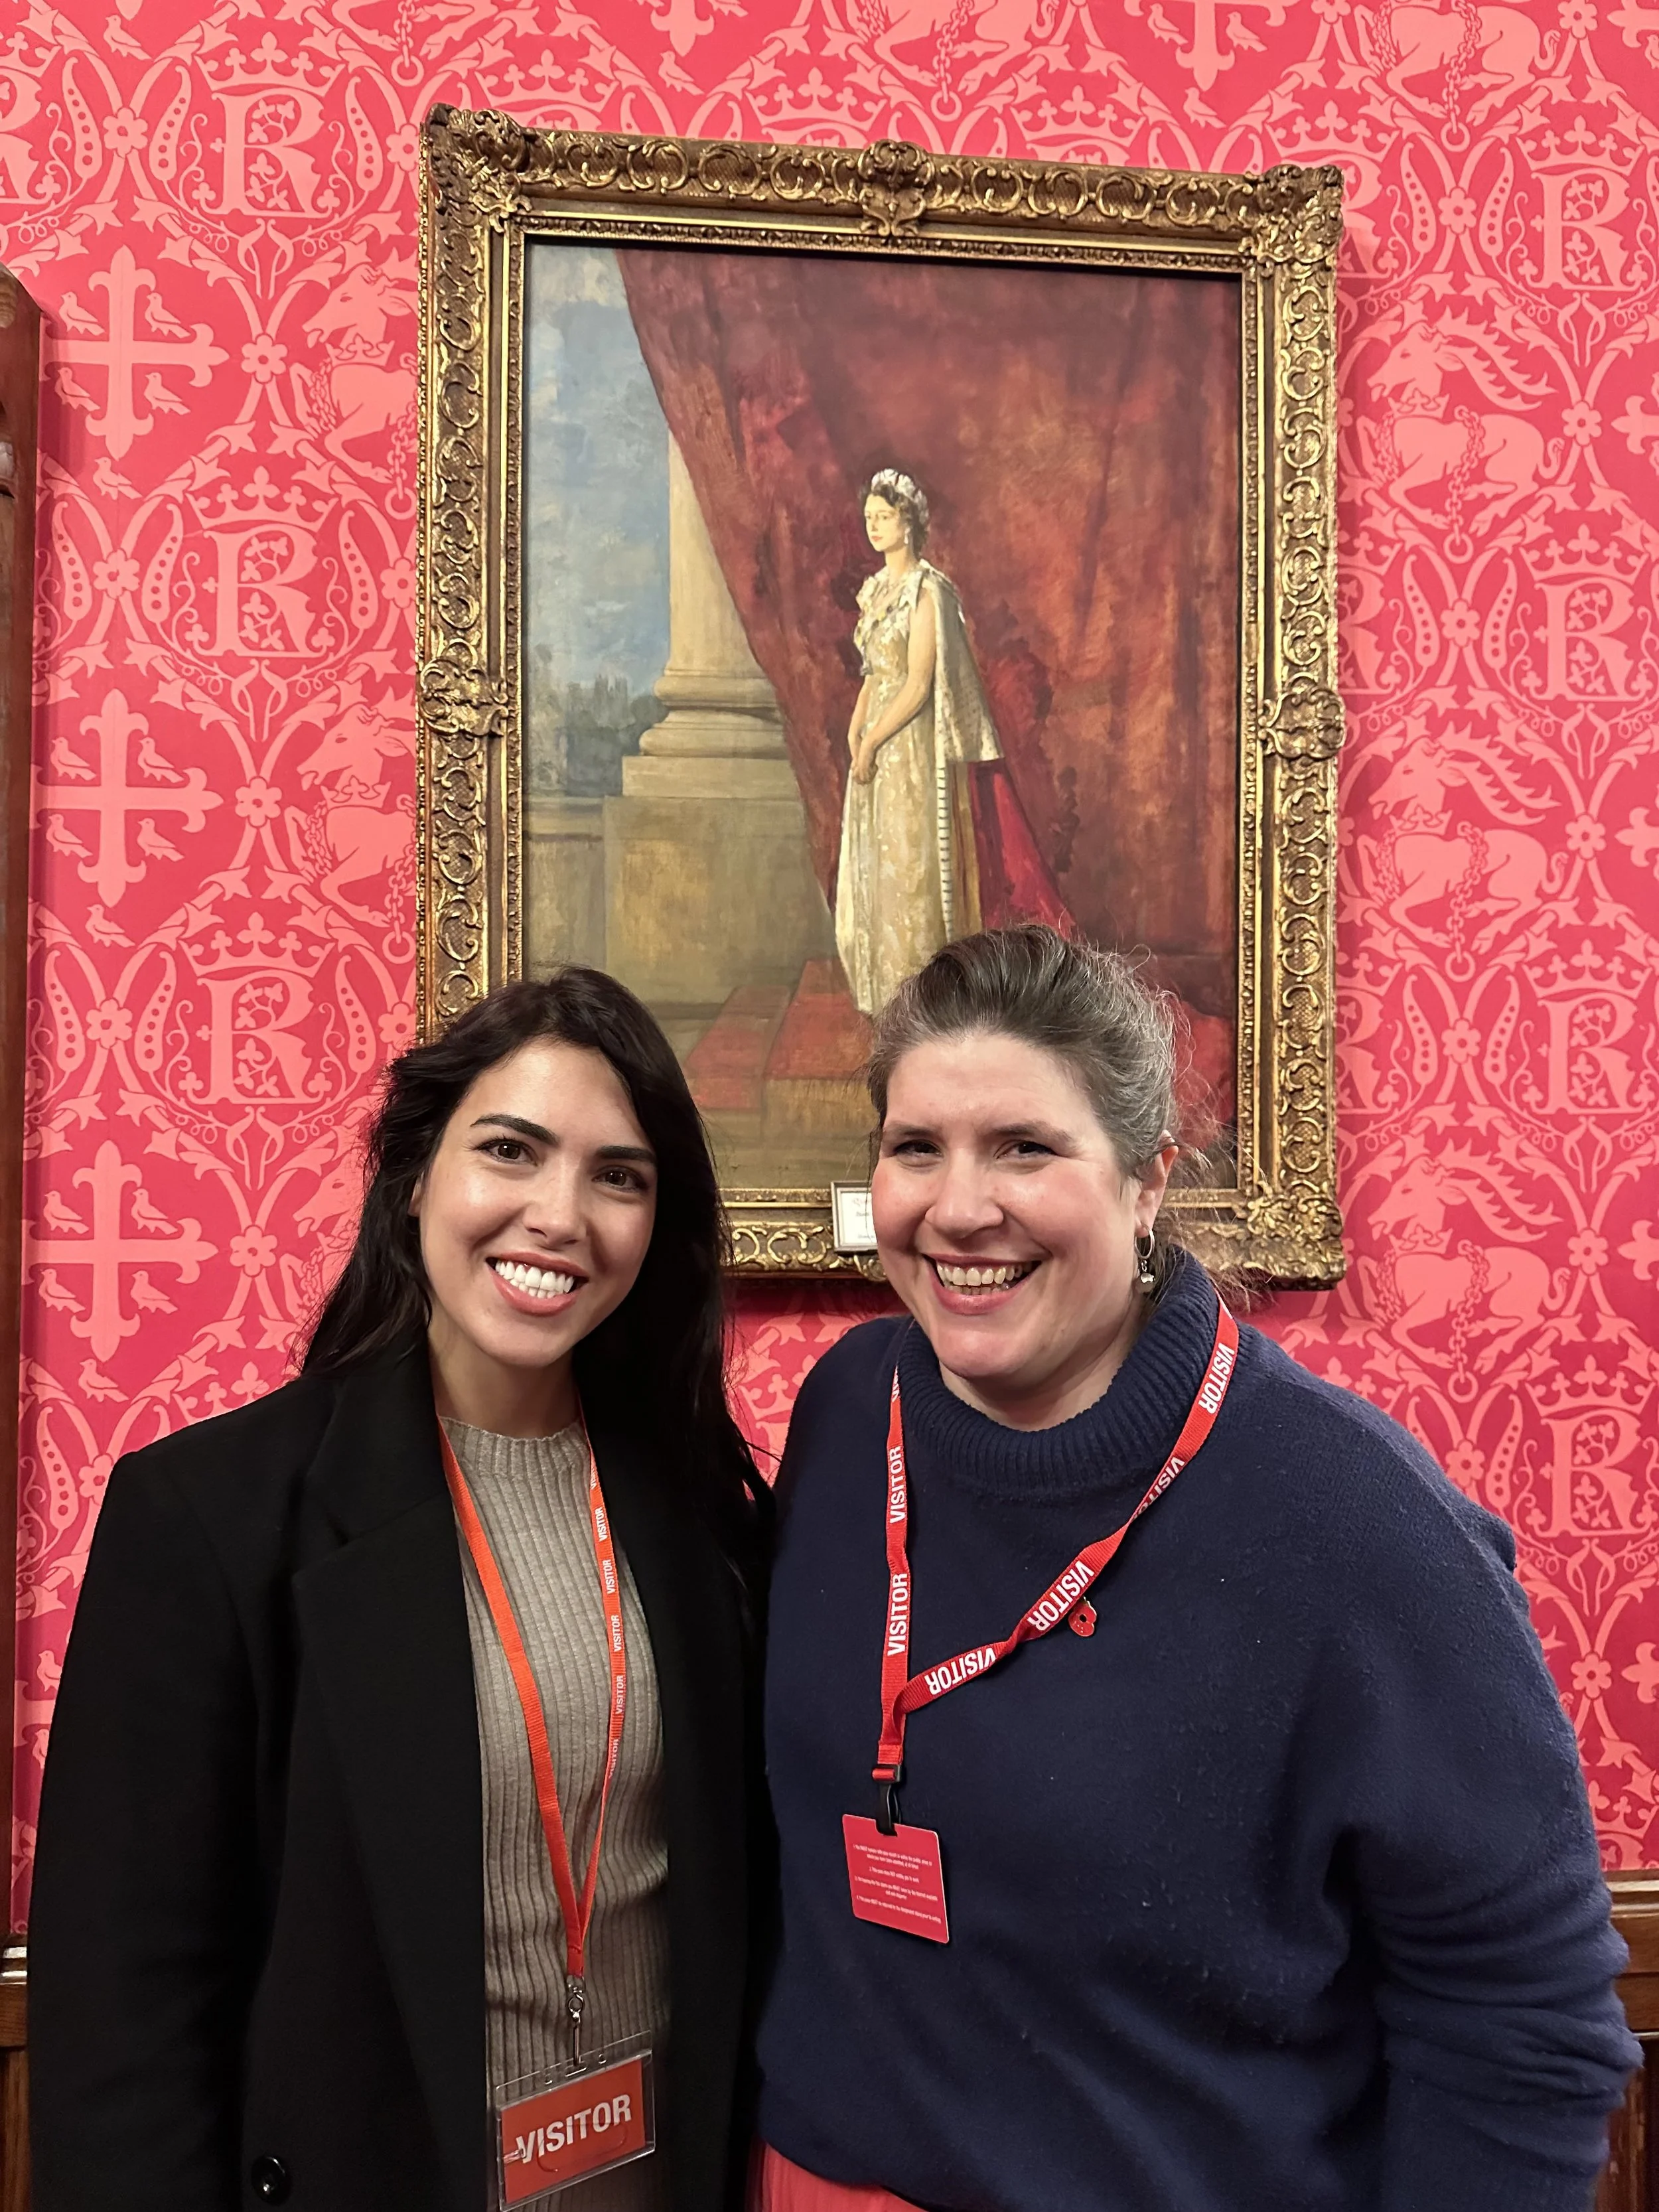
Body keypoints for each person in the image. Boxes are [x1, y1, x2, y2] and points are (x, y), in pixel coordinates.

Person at [755, 924, 1638, 2212]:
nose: (955, 1205)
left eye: (1024, 1147)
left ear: (1146, 1179)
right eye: (914, 1148)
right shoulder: (845, 1411)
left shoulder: (1355, 1521)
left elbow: (1523, 2021)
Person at [31, 970, 770, 2212]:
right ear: (415, 1173)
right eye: (510, 1150)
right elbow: (124, 2006)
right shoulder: (208, 1516)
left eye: (618, 1175)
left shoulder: (706, 1516)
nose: (559, 1214)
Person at [833, 469, 1002, 1016]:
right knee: (875, 863)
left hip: (908, 746)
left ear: (908, 522)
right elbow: (872, 674)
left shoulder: (928, 591)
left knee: (909, 865)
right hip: (876, 746)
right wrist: (856, 730)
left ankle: (920, 997)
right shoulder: (875, 591)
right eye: (869, 520)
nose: (874, 528)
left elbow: (918, 683)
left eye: (884, 518)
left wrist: (876, 739)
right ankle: (883, 990)